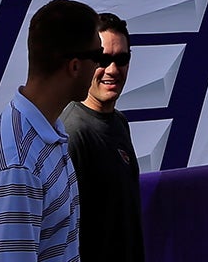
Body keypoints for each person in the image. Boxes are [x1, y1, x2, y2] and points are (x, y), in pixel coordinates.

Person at [0, 0, 104, 261]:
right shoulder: (18, 167)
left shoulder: (47, 132)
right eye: (97, 56)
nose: (100, 68)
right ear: (74, 66)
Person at [63, 13, 144, 262]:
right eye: (103, 59)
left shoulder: (119, 122)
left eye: (121, 59)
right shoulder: (72, 132)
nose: (113, 70)